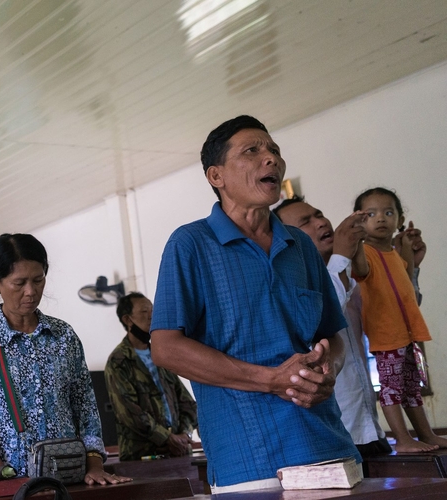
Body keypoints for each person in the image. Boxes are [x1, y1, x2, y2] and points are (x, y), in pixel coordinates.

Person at [149, 116, 359, 493]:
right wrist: (272, 380)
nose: (271, 159)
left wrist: (327, 371)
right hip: (248, 457)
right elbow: (165, 348)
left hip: (331, 446)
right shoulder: (190, 244)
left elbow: (334, 335)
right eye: (253, 151)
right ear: (217, 176)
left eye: (274, 150)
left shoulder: (300, 245)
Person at [0, 233, 130, 486]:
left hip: (71, 476)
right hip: (13, 482)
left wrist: (94, 466)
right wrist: (3, 476)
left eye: (38, 280)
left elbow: (85, 406)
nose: (31, 291)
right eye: (19, 283)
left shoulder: (63, 335)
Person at [274, 197, 392, 457]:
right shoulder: (293, 287)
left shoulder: (348, 276)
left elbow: (391, 317)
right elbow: (319, 318)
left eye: (319, 214)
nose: (321, 222)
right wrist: (339, 257)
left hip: (371, 429)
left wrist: (410, 267)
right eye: (306, 222)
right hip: (335, 435)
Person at [350, 187, 446, 452]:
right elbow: (358, 269)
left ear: (400, 220)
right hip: (386, 335)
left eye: (388, 212)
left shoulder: (395, 254)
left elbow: (409, 279)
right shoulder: (365, 253)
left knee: (413, 389)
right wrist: (356, 240)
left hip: (409, 333)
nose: (381, 218)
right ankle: (402, 439)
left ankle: (426, 434)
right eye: (371, 214)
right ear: (360, 220)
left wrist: (407, 244)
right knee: (392, 390)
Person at [105, 292, 197, 461]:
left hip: (178, 452)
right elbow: (128, 412)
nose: (152, 316)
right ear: (127, 320)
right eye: (144, 311)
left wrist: (185, 434)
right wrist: (167, 438)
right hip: (142, 456)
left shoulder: (160, 354)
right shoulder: (119, 361)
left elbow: (186, 402)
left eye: (153, 310)